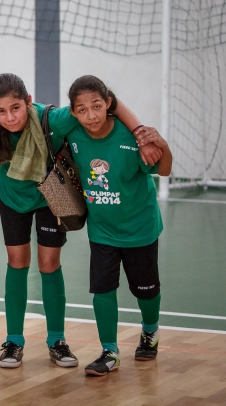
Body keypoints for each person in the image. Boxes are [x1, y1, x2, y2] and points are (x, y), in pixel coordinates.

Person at [0, 72, 160, 369]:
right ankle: (14, 340)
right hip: (12, 198)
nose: (9, 117)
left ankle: (57, 341)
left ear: (28, 102)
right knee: (17, 261)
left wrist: (139, 131)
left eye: (16, 108)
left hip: (50, 197)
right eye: (1, 111)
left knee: (49, 263)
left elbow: (109, 103)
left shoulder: (54, 120)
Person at [64, 75, 171, 376]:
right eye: (82, 110)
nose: (91, 115)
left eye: (97, 106)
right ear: (73, 112)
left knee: (145, 290)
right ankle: (109, 351)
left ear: (109, 103)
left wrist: (162, 144)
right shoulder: (73, 135)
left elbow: (164, 170)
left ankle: (150, 331)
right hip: (102, 229)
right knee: (102, 289)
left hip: (140, 228)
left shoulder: (131, 137)